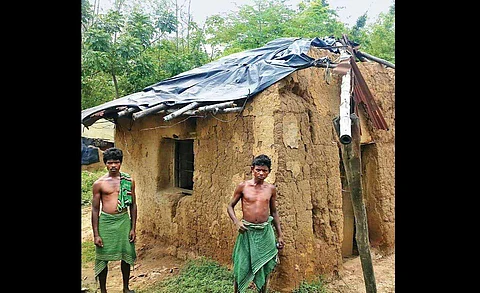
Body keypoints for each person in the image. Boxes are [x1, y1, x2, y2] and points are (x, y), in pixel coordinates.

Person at [227, 154, 285, 293]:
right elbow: (230, 207)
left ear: (269, 172)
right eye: (258, 169)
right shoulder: (243, 187)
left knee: (265, 267)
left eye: (264, 171)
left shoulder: (271, 189)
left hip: (265, 232)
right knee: (242, 265)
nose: (261, 173)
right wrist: (236, 222)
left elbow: (274, 212)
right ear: (252, 169)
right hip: (247, 232)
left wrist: (280, 235)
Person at [91, 147, 137, 293]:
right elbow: (95, 209)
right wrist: (96, 234)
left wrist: (133, 228)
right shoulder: (99, 183)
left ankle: (125, 288)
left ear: (121, 163)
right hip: (106, 223)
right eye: (110, 162)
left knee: (126, 255)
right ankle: (103, 290)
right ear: (105, 164)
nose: (113, 166)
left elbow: (133, 205)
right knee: (102, 258)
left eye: (116, 162)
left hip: (123, 220)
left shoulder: (128, 181)